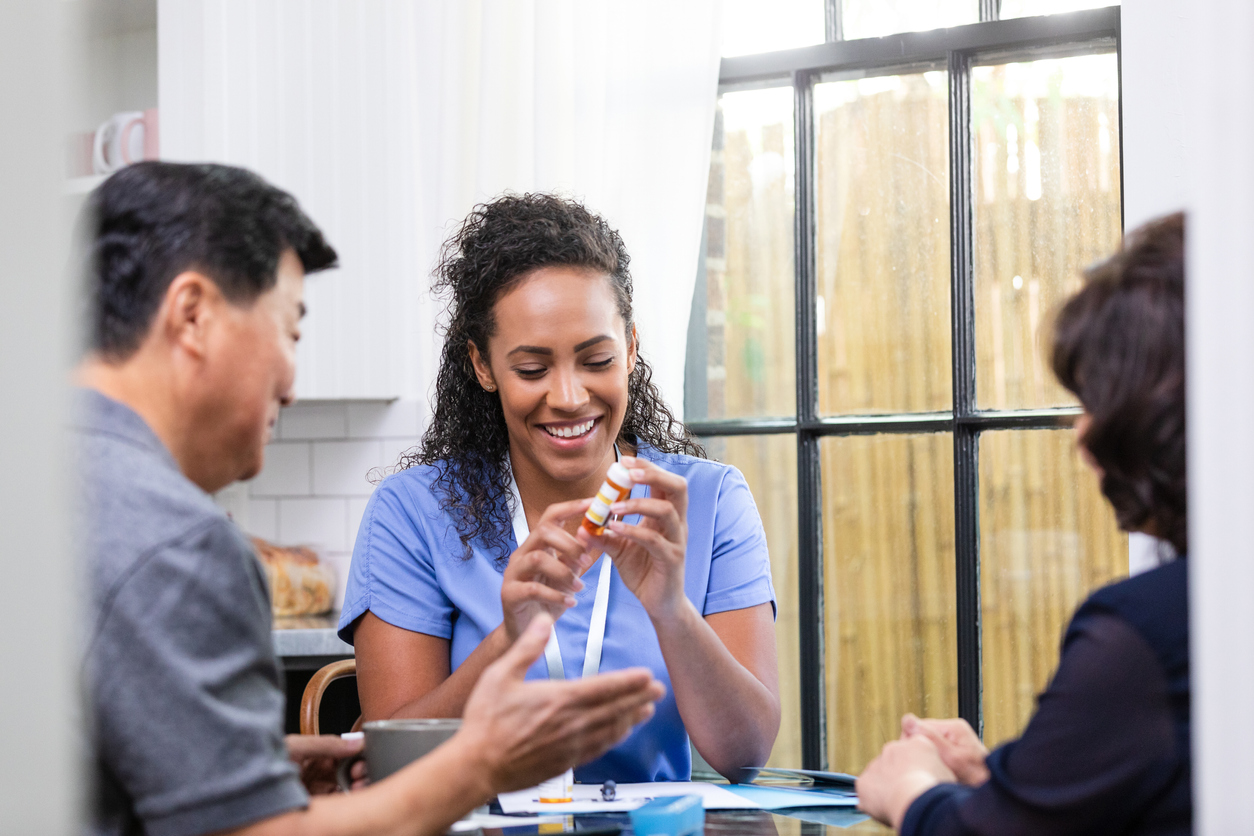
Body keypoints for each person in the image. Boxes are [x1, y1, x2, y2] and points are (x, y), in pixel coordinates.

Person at [76, 162, 664, 836]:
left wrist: (245, 774)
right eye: (289, 333)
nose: (291, 384)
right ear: (192, 315)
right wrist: (481, 764)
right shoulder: (176, 545)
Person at [338, 193, 781, 783]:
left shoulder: (710, 500)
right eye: (532, 368)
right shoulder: (415, 513)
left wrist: (671, 611)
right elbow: (391, 766)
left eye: (596, 359)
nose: (569, 396)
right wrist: (510, 642)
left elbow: (744, 753)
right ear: (483, 365)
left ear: (630, 349)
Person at [855, 212, 1190, 834]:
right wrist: (997, 780)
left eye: (1095, 404)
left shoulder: (1141, 637)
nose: (1080, 438)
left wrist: (910, 794)